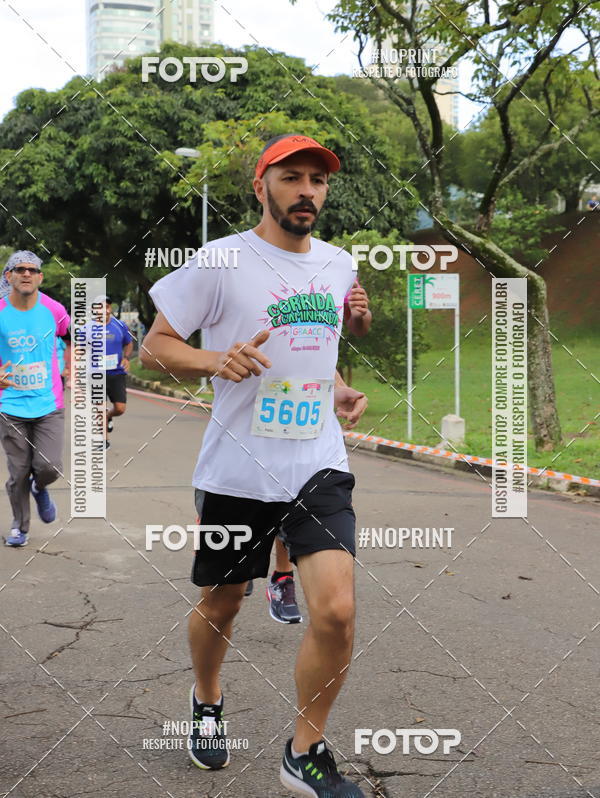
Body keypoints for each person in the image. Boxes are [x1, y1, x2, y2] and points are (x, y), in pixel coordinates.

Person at [142, 133, 369, 797]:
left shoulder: (337, 264)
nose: (307, 190)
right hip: (238, 470)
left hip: (317, 464)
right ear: (261, 186)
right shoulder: (220, 261)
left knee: (337, 611)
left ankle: (305, 752)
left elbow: (314, 355)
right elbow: (155, 348)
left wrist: (338, 390)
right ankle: (207, 698)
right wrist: (216, 360)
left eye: (318, 181)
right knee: (223, 602)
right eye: (292, 177)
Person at [254, 280, 373, 623]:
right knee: (225, 584)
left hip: (310, 439)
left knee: (292, 499)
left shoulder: (330, 274)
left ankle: (281, 577)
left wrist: (339, 388)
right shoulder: (241, 271)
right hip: (246, 427)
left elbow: (320, 351)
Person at [0, 251, 70, 547]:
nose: (26, 274)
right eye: (19, 269)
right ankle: (20, 527)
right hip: (10, 405)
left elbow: (70, 336)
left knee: (49, 466)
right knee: (18, 472)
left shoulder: (54, 310)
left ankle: (40, 488)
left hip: (47, 404)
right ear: (9, 276)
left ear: (40, 277)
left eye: (32, 269)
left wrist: (72, 366)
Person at [89, 297, 133, 449]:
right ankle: (104, 440)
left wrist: (126, 358)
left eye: (106, 306)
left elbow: (129, 343)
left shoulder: (120, 325)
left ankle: (108, 416)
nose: (104, 310)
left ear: (110, 309)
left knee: (120, 408)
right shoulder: (88, 328)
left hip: (116, 373)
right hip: (95, 374)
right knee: (99, 407)